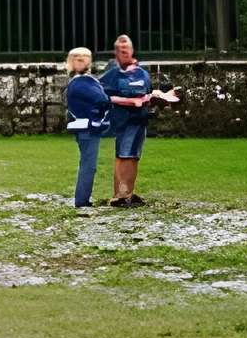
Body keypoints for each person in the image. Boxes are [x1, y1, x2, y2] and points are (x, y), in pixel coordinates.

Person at [100, 33, 179, 207]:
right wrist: (130, 101)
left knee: (134, 156)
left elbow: (147, 93)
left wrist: (160, 97)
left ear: (132, 50)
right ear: (116, 53)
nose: (124, 52)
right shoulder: (112, 74)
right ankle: (119, 196)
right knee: (124, 155)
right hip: (123, 119)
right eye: (120, 50)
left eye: (126, 48)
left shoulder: (142, 73)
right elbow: (102, 96)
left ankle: (128, 192)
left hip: (140, 119)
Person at [60, 45, 113, 208]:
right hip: (88, 127)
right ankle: (82, 200)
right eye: (77, 58)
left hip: (85, 126)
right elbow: (102, 100)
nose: (81, 60)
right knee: (88, 165)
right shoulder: (82, 83)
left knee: (88, 163)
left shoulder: (81, 82)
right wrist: (98, 117)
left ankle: (83, 198)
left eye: (84, 57)